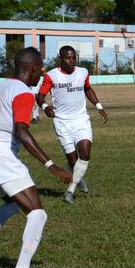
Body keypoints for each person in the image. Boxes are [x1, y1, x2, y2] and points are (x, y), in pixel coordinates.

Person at [0, 47, 72, 268]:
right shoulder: (23, 92)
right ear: (31, 67)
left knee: (14, 204)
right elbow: (21, 132)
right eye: (40, 69)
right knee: (37, 213)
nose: (41, 74)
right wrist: (51, 165)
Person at [36, 45, 108, 204]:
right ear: (60, 59)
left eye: (74, 57)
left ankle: (70, 191)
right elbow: (40, 96)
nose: (72, 60)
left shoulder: (83, 72)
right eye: (68, 58)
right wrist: (45, 107)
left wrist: (99, 107)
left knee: (85, 153)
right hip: (62, 123)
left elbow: (88, 89)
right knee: (73, 161)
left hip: (81, 120)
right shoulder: (51, 76)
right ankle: (79, 179)